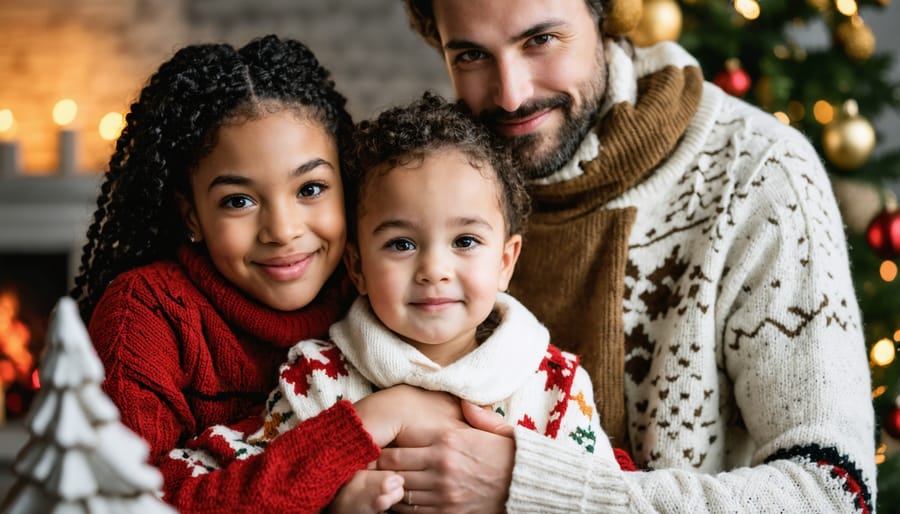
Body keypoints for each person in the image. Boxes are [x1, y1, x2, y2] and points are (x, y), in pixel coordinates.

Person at [382, 0, 878, 512]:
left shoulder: (756, 174)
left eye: (540, 40)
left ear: (605, 14)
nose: (511, 95)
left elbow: (837, 492)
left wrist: (535, 487)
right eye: (471, 55)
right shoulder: (422, 190)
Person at [70, 35, 489, 513]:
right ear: (191, 215)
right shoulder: (146, 313)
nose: (283, 231)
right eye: (239, 201)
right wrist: (373, 421)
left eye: (310, 188)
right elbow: (130, 503)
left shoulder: (385, 285)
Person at [167, 93, 634, 513]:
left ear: (506, 262)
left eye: (466, 240)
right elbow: (213, 488)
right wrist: (332, 504)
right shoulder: (317, 379)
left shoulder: (555, 387)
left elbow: (604, 497)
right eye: (401, 245)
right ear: (357, 268)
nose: (434, 269)